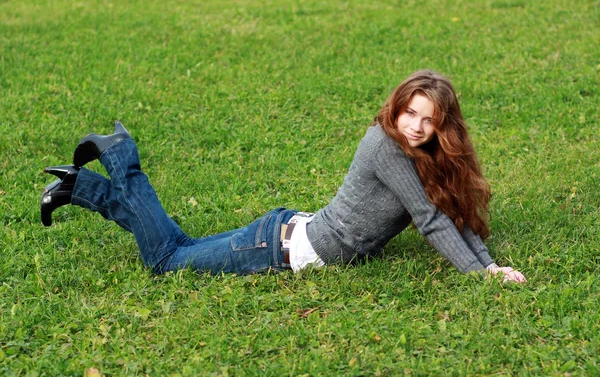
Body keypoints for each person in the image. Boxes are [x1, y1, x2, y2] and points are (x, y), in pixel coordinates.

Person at [40, 70, 526, 283]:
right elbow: (430, 219)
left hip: (290, 233)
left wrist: (488, 267)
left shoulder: (424, 153)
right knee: (167, 260)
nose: (416, 127)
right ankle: (121, 157)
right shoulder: (386, 144)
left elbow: (450, 214)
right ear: (398, 108)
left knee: (179, 246)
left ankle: (78, 187)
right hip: (280, 248)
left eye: (429, 120)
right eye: (411, 113)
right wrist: (482, 275)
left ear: (443, 125)